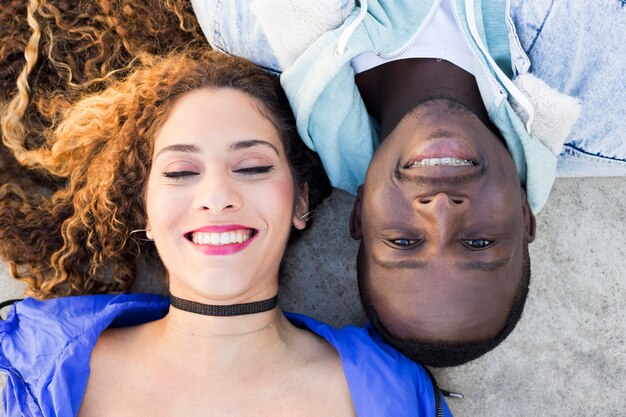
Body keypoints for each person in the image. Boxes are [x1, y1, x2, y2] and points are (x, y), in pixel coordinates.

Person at [0, 49, 453, 416]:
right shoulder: (25, 369)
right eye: (180, 172)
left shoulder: (397, 394)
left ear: (300, 201)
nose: (216, 195)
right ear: (147, 214)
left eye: (252, 166)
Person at [190, 0, 626, 366]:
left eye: (402, 242)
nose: (439, 209)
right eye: (478, 243)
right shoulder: (611, 106)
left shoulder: (252, 28)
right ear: (526, 219)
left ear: (360, 214)